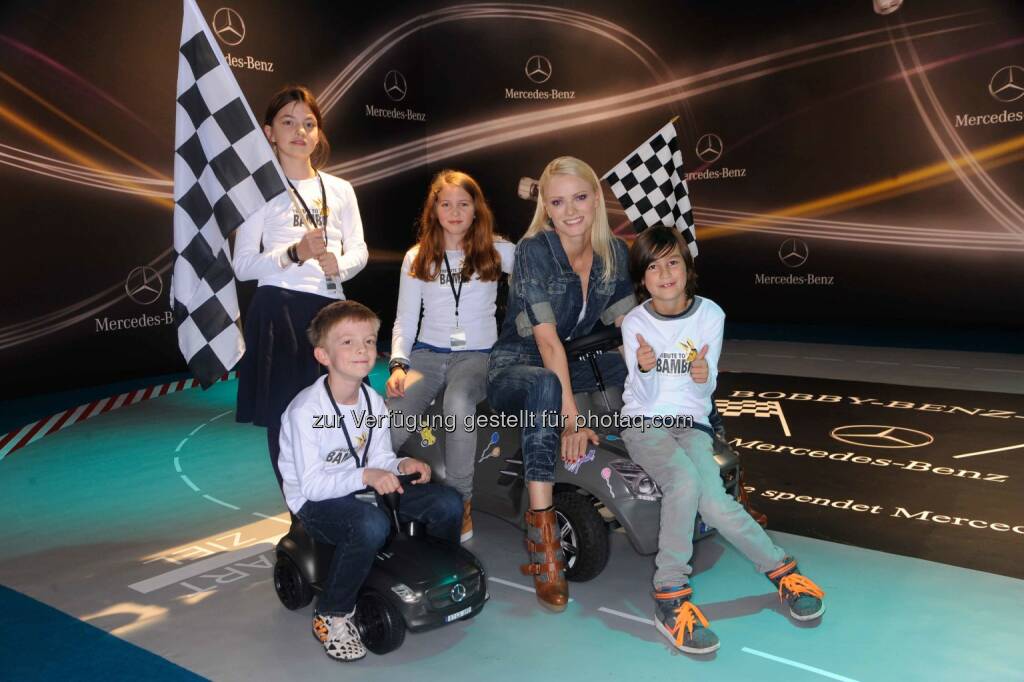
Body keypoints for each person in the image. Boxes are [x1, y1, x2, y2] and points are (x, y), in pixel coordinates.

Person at [619, 226, 824, 655]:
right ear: (642, 278)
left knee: (714, 501)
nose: (665, 273)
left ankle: (782, 572)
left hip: (691, 422)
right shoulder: (636, 322)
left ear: (687, 267)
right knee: (684, 481)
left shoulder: (710, 314)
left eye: (672, 261)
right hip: (645, 421)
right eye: (653, 266)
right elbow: (645, 398)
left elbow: (701, 394)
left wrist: (702, 376)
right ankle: (670, 597)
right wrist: (645, 369)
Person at [487, 156, 637, 611]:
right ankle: (544, 541)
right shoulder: (535, 251)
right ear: (546, 209)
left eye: (579, 197)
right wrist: (572, 423)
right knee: (546, 388)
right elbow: (548, 345)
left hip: (573, 361)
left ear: (596, 197)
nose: (571, 210)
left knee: (666, 370)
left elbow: (627, 326)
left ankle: (717, 485)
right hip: (519, 366)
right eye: (558, 201)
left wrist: (657, 368)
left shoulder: (614, 252)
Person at [278, 300, 463, 661]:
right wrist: (367, 475)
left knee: (446, 502)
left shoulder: (372, 402)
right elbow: (313, 486)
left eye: (367, 340)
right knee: (369, 523)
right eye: (347, 342)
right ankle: (332, 613)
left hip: (363, 487)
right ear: (323, 355)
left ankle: (442, 578)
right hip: (315, 501)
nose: (361, 350)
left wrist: (404, 463)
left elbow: (379, 458)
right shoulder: (306, 412)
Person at [233, 85, 368, 489]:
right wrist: (294, 253)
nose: (299, 132)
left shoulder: (340, 189)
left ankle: (345, 492)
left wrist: (338, 265)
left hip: (332, 310)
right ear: (269, 132)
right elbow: (242, 266)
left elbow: (359, 249)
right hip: (278, 311)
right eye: (288, 122)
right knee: (286, 417)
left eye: (308, 123)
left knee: (346, 409)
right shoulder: (256, 191)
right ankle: (301, 510)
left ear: (318, 132)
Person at [386, 170, 514, 543]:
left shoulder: (499, 250)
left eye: (463, 203)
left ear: (477, 209)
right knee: (393, 411)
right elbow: (405, 319)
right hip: (426, 354)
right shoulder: (417, 256)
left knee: (458, 401)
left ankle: (461, 504)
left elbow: (539, 275)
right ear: (434, 210)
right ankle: (368, 484)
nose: (455, 211)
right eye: (446, 204)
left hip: (477, 355)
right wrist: (398, 362)